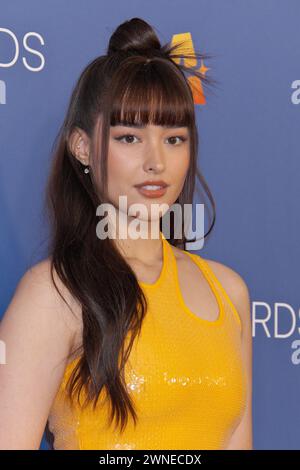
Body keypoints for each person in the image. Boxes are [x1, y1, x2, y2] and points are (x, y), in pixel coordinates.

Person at [0, 17, 252, 450]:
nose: (156, 162)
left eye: (174, 139)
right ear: (82, 147)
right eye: (130, 137)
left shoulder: (229, 292)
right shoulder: (54, 293)